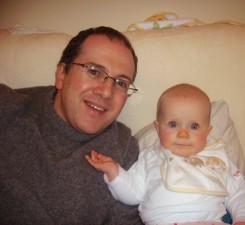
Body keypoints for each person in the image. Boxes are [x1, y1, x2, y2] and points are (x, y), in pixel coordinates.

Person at [0, 26, 143, 225]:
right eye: (94, 71)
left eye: (120, 83)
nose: (107, 92)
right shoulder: (6, 107)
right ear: (61, 75)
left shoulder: (126, 149)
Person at [85, 83, 245, 225]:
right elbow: (133, 193)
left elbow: (239, 192)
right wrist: (115, 172)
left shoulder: (217, 158)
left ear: (208, 131)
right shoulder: (149, 157)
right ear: (158, 128)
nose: (183, 134)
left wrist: (244, 218)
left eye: (194, 126)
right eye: (173, 124)